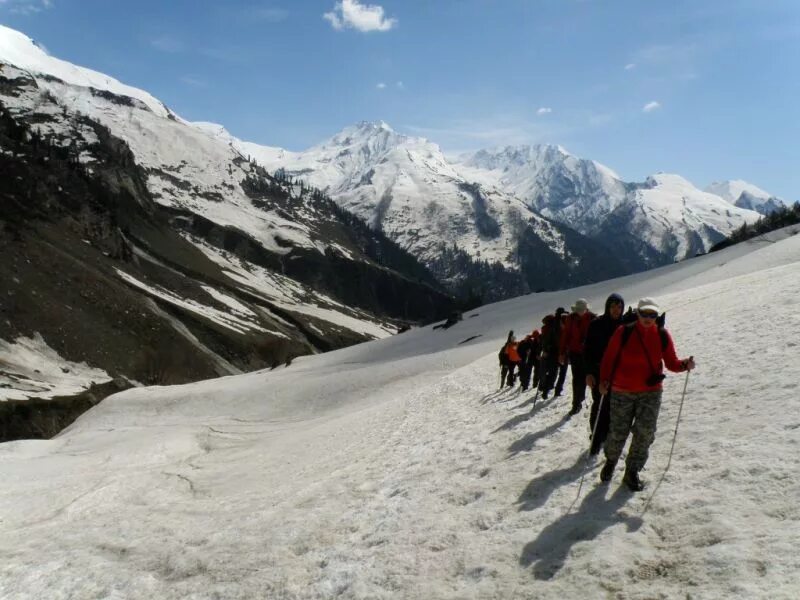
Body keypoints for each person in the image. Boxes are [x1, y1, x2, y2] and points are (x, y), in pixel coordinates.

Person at [598, 298, 695, 491]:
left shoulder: (661, 335)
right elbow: (608, 358)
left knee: (645, 433)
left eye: (653, 315)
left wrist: (685, 364)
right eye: (645, 314)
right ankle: (611, 460)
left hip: (651, 393)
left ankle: (632, 471)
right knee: (618, 431)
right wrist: (603, 381)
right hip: (621, 391)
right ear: (638, 314)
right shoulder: (623, 332)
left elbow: (671, 363)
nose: (648, 318)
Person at [583, 293, 625, 455]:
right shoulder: (596, 324)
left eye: (619, 307)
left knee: (613, 406)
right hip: (598, 371)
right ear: (608, 307)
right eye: (613, 307)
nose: (616, 310)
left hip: (619, 373)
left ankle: (607, 435)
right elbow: (586, 351)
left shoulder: (624, 325)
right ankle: (596, 437)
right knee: (600, 404)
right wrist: (588, 373)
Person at [559, 298, 596, 416]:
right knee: (576, 378)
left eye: (582, 309)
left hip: (588, 353)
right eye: (578, 309)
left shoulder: (593, 318)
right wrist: (562, 352)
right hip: (574, 353)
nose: (580, 311)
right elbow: (566, 335)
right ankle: (576, 403)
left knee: (585, 377)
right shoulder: (571, 318)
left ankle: (580, 398)